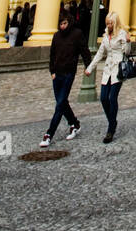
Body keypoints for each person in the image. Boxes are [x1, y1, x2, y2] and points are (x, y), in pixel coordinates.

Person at [40, 13, 91, 147]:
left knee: (60, 103)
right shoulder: (56, 36)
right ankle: (74, 123)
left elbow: (84, 51)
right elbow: (52, 54)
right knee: (61, 102)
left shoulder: (77, 34)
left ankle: (49, 134)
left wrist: (88, 66)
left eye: (65, 24)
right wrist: (52, 71)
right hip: (57, 74)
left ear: (69, 22)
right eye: (61, 24)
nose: (62, 26)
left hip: (69, 73)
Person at [85, 11, 131, 144]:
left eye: (110, 23)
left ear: (115, 23)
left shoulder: (121, 33)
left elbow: (126, 52)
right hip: (107, 70)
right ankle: (113, 121)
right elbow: (100, 54)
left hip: (118, 70)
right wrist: (90, 68)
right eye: (107, 23)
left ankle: (110, 130)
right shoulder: (106, 36)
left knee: (112, 97)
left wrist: (128, 42)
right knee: (103, 98)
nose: (108, 25)